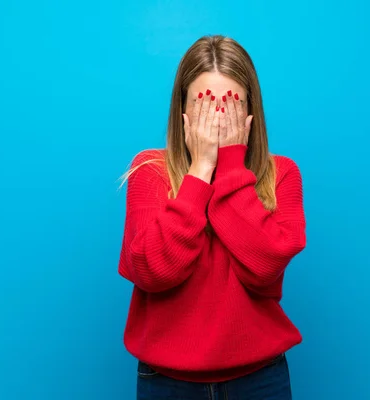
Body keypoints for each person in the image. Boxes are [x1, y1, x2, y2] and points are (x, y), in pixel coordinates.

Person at [117, 34, 307, 400]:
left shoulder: (280, 174)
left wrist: (233, 165)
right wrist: (200, 170)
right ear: (182, 111)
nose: (217, 120)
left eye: (230, 104)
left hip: (260, 379)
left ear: (251, 112)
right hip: (166, 383)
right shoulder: (150, 171)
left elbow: (265, 266)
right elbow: (153, 271)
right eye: (204, 105)